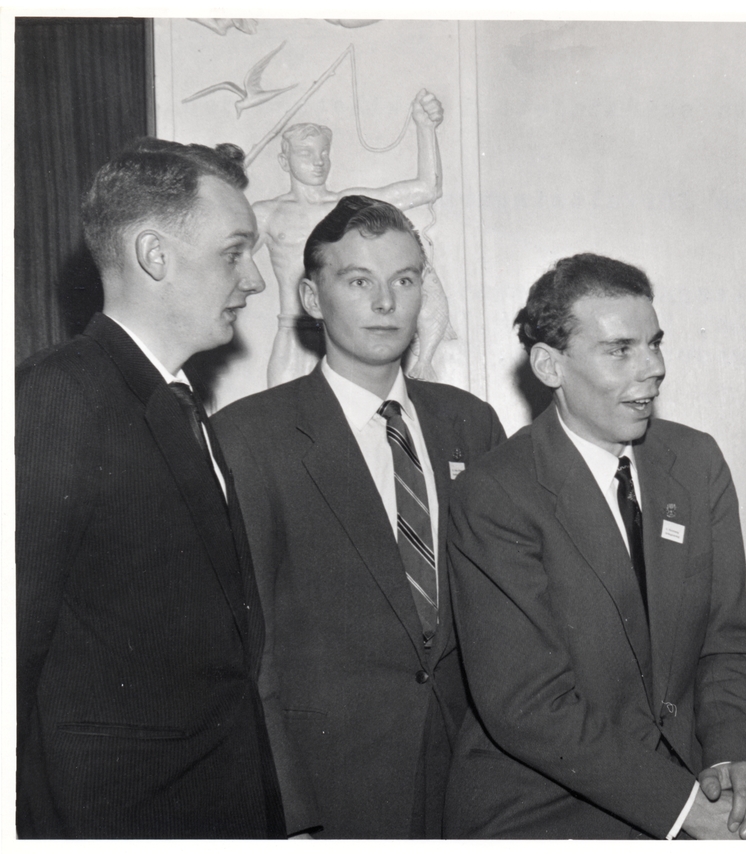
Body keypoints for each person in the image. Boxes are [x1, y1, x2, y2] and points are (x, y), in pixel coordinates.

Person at [444, 253, 746, 840]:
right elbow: (530, 707)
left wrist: (730, 764)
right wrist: (688, 810)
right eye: (620, 350)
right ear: (549, 365)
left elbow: (728, 643)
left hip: (689, 788)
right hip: (545, 812)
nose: (653, 368)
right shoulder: (495, 493)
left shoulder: (696, 462)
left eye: (654, 344)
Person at [211, 195, 506, 838]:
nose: (386, 303)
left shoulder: (470, 423)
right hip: (334, 787)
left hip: (474, 779)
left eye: (404, 280)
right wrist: (292, 815)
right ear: (313, 300)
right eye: (358, 282)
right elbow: (252, 653)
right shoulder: (250, 437)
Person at [16, 138, 283, 838]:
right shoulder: (56, 395)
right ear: (154, 255)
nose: (254, 280)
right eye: (234, 253)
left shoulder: (181, 404)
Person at [253, 89, 450, 386]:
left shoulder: (347, 207)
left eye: (323, 153)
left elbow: (427, 188)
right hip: (295, 334)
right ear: (284, 160)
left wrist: (425, 126)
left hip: (348, 337)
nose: (318, 161)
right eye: (306, 153)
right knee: (282, 412)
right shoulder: (268, 213)